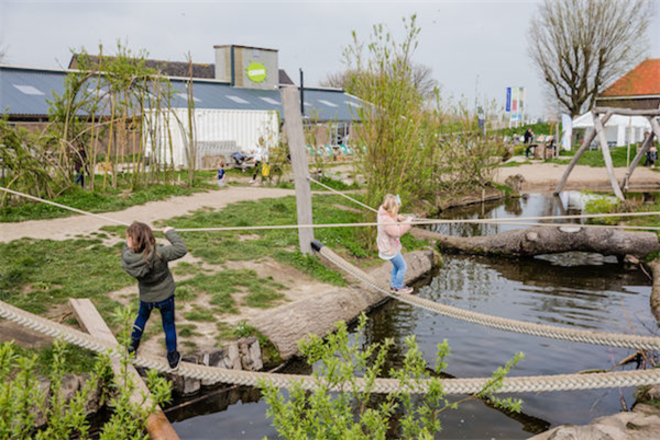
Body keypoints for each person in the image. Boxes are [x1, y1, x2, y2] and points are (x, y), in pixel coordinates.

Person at [121, 222, 188, 371]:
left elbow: (127, 250)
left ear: (131, 241)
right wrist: (170, 232)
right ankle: (172, 358)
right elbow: (181, 248)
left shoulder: (128, 258)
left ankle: (132, 348)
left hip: (147, 298)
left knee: (141, 318)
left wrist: (129, 244)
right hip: (166, 297)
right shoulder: (159, 253)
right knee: (168, 324)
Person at [376, 194, 414, 295]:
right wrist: (407, 222)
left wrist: (397, 218)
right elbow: (397, 232)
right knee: (402, 267)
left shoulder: (383, 213)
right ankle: (398, 287)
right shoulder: (386, 220)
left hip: (390, 246)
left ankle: (394, 286)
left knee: (397, 266)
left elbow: (391, 217)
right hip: (389, 249)